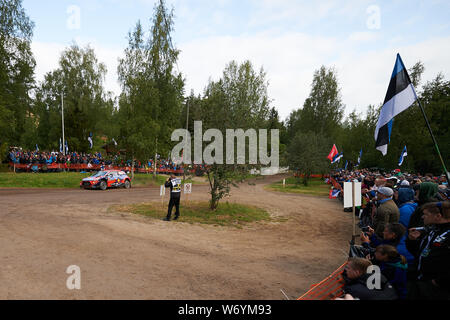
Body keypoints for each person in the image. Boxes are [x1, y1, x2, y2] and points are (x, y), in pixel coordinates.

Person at [406, 201, 450, 299]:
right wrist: (412, 240)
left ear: (438, 216)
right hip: (419, 281)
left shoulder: (447, 235)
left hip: (436, 288)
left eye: (425, 214)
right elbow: (419, 253)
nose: (422, 217)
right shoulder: (432, 230)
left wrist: (439, 282)